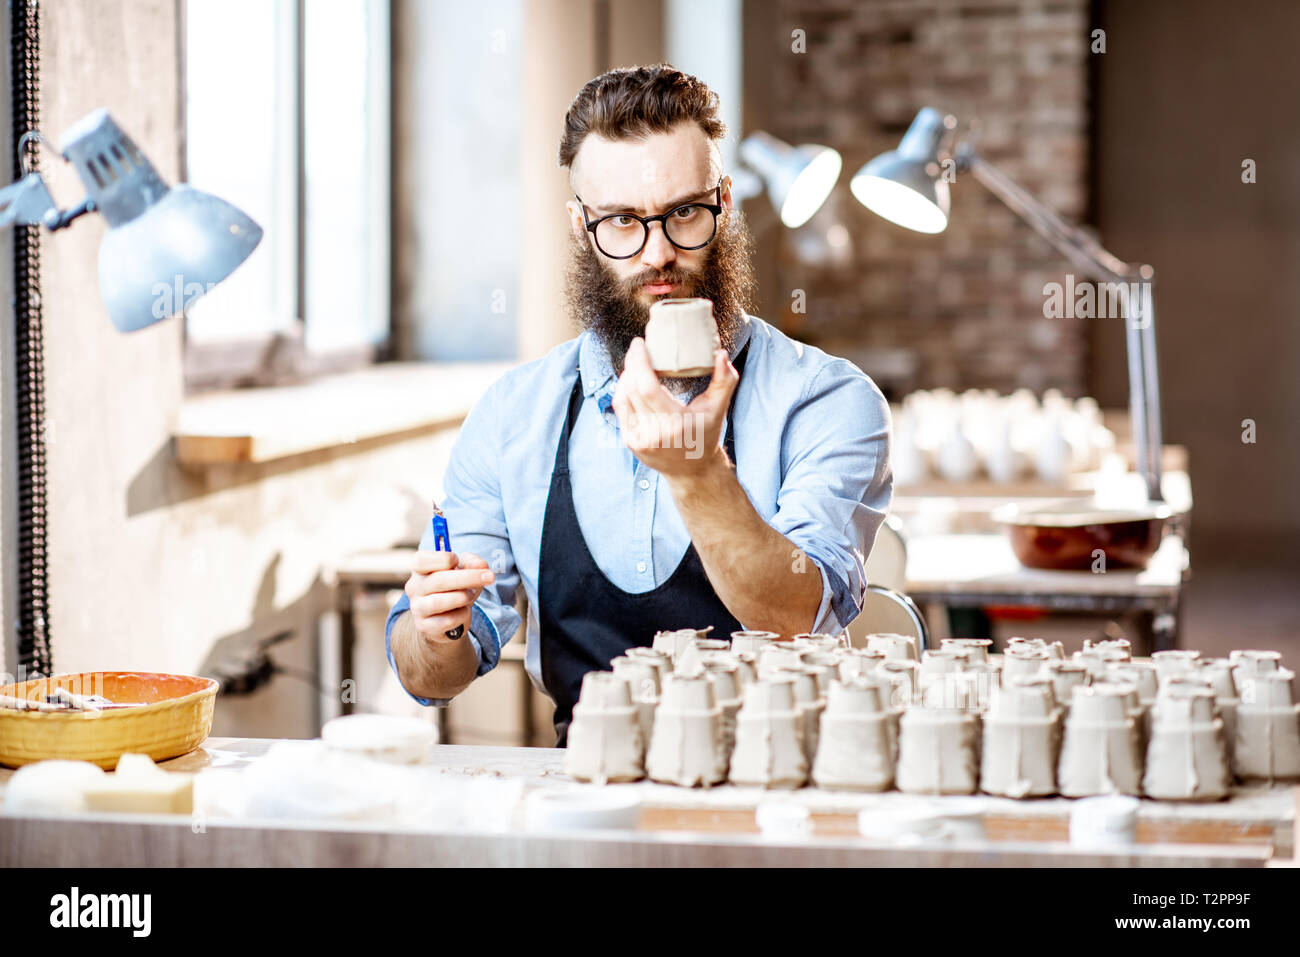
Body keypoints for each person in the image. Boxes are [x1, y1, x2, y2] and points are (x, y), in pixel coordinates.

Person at [386, 64, 892, 745]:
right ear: (581, 226)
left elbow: (798, 615)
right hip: (586, 790)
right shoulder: (515, 415)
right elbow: (431, 676)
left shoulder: (826, 400)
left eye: (685, 212)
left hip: (776, 787)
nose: (659, 253)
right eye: (623, 221)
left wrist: (696, 472)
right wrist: (435, 627)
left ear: (726, 202)